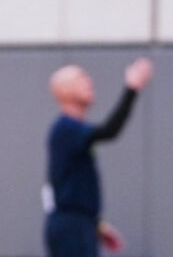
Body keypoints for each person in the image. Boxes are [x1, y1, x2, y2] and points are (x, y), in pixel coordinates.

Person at [43, 58, 153, 257]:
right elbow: (110, 130)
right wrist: (132, 88)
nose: (89, 82)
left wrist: (95, 224)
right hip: (71, 227)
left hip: (80, 224)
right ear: (63, 90)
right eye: (81, 78)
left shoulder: (74, 132)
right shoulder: (66, 128)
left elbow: (70, 184)